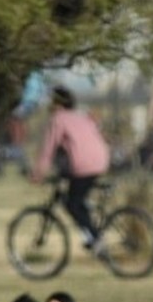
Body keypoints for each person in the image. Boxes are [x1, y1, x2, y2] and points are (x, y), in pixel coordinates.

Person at [32, 87, 111, 249]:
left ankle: (96, 238)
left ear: (57, 104)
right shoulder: (82, 115)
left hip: (83, 165)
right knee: (78, 199)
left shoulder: (58, 119)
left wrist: (38, 172)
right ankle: (90, 235)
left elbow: (48, 149)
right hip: (100, 160)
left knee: (72, 204)